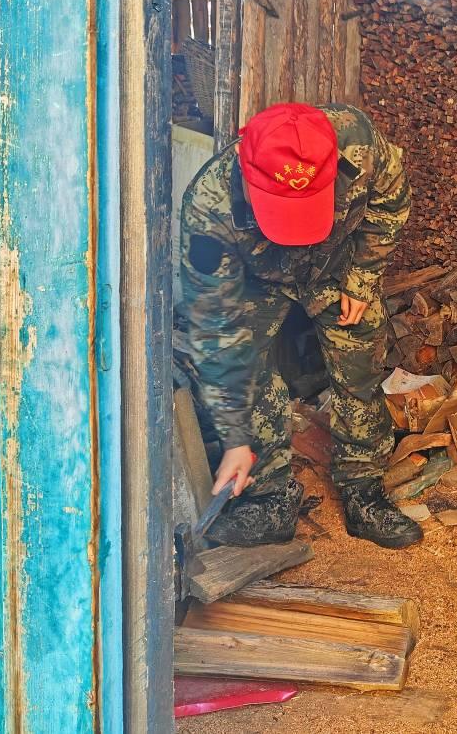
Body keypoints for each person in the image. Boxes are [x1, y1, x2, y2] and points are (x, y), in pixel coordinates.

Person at [178, 102, 422, 550]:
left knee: (360, 367)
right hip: (258, 278)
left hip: (335, 265)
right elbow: (216, 329)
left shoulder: (358, 142)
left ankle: (363, 489)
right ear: (245, 172)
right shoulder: (208, 206)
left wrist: (362, 278)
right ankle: (269, 498)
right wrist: (235, 437)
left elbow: (391, 203)